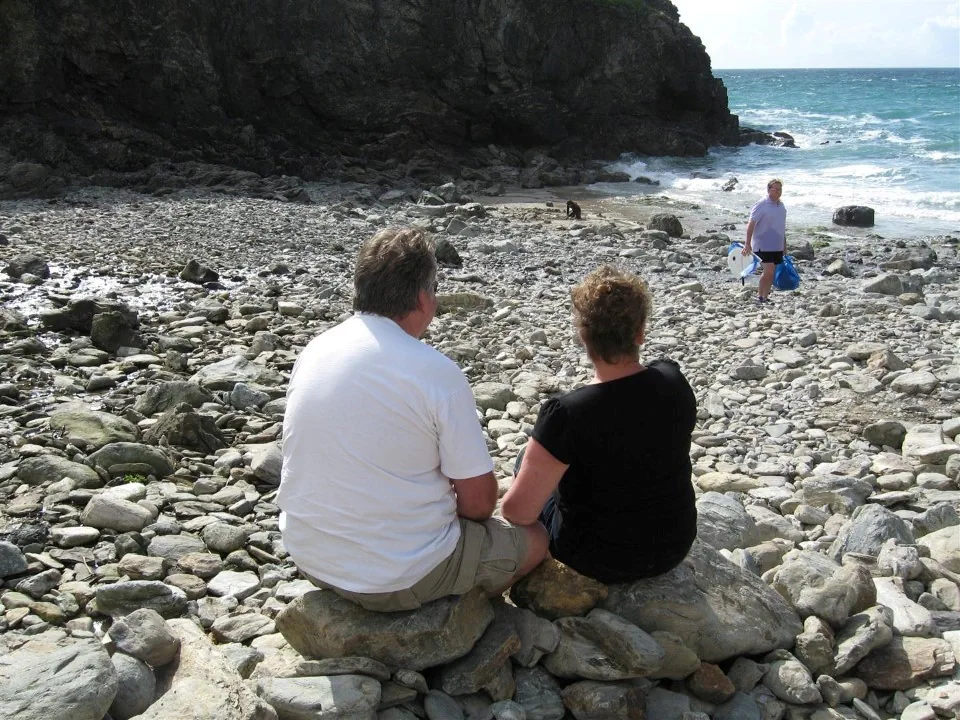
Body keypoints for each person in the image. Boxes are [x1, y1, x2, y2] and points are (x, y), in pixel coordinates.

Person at [277, 227, 548, 612]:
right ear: (422, 298)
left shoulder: (316, 350)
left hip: (309, 557)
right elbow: (478, 504)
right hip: (399, 576)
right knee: (535, 539)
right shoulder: (435, 372)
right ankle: (460, 611)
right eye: (434, 289)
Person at [501, 266, 697, 584]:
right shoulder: (673, 381)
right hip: (674, 546)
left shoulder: (566, 414)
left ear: (583, 336)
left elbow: (516, 512)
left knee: (527, 457)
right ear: (640, 333)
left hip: (596, 558)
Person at [743, 177, 786, 305]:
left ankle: (765, 296)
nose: (778, 191)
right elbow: (751, 223)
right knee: (768, 270)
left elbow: (782, 227)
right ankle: (760, 296)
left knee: (771, 273)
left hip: (777, 245)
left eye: (780, 189)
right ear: (768, 190)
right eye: (775, 189)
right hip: (762, 244)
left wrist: (784, 246)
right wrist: (747, 243)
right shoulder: (762, 204)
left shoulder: (781, 206)